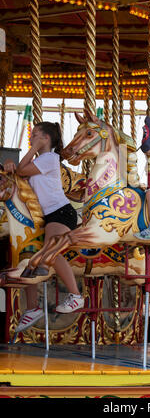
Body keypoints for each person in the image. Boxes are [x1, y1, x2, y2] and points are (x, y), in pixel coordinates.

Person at [4, 121, 84, 332]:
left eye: (36, 134)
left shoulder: (50, 158)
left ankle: (76, 296)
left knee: (51, 253)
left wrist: (31, 150)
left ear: (46, 138)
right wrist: (9, 163)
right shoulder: (39, 162)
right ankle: (32, 308)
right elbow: (18, 173)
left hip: (61, 213)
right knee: (29, 258)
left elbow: (22, 170)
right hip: (46, 218)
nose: (32, 137)